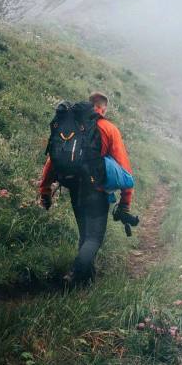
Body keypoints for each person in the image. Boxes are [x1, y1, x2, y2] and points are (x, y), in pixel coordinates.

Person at [39, 91, 134, 283]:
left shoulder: (74, 126)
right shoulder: (108, 128)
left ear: (90, 105)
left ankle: (86, 278)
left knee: (85, 234)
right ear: (103, 108)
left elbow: (52, 160)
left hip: (75, 187)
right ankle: (74, 273)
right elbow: (125, 170)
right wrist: (125, 202)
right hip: (97, 192)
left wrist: (45, 189)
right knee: (94, 238)